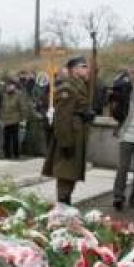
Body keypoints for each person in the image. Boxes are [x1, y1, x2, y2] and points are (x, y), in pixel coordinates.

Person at [42, 57, 94, 205]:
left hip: (76, 134)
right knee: (66, 174)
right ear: (74, 70)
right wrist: (65, 143)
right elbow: (62, 118)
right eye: (83, 67)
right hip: (69, 137)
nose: (87, 69)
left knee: (71, 174)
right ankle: (62, 208)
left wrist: (85, 114)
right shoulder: (68, 88)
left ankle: (65, 206)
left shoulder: (80, 85)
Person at [110, 63, 134, 211]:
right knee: (123, 167)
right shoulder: (128, 90)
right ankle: (118, 197)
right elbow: (117, 109)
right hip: (127, 134)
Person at [0, 79, 27, 159]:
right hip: (6, 120)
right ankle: (7, 154)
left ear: (14, 86)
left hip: (15, 119)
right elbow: (2, 108)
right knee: (6, 138)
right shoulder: (4, 96)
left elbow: (22, 107)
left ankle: (16, 154)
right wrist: (1, 119)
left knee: (15, 138)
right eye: (8, 86)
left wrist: (23, 119)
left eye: (10, 86)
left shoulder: (19, 95)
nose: (9, 87)